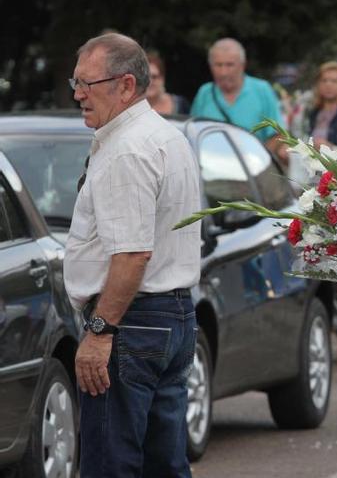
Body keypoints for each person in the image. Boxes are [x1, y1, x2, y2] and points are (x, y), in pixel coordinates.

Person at [65, 32, 201, 477]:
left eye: (88, 83)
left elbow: (132, 254)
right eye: (76, 82)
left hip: (132, 322)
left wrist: (100, 332)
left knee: (111, 464)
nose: (78, 94)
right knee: (165, 464)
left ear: (125, 85)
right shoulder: (165, 135)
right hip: (171, 316)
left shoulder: (127, 148)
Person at [190, 37, 283, 144]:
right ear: (210, 66)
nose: (223, 72)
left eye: (230, 65)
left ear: (242, 65)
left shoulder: (262, 90)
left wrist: (261, 158)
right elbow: (193, 133)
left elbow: (277, 134)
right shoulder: (205, 92)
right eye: (218, 65)